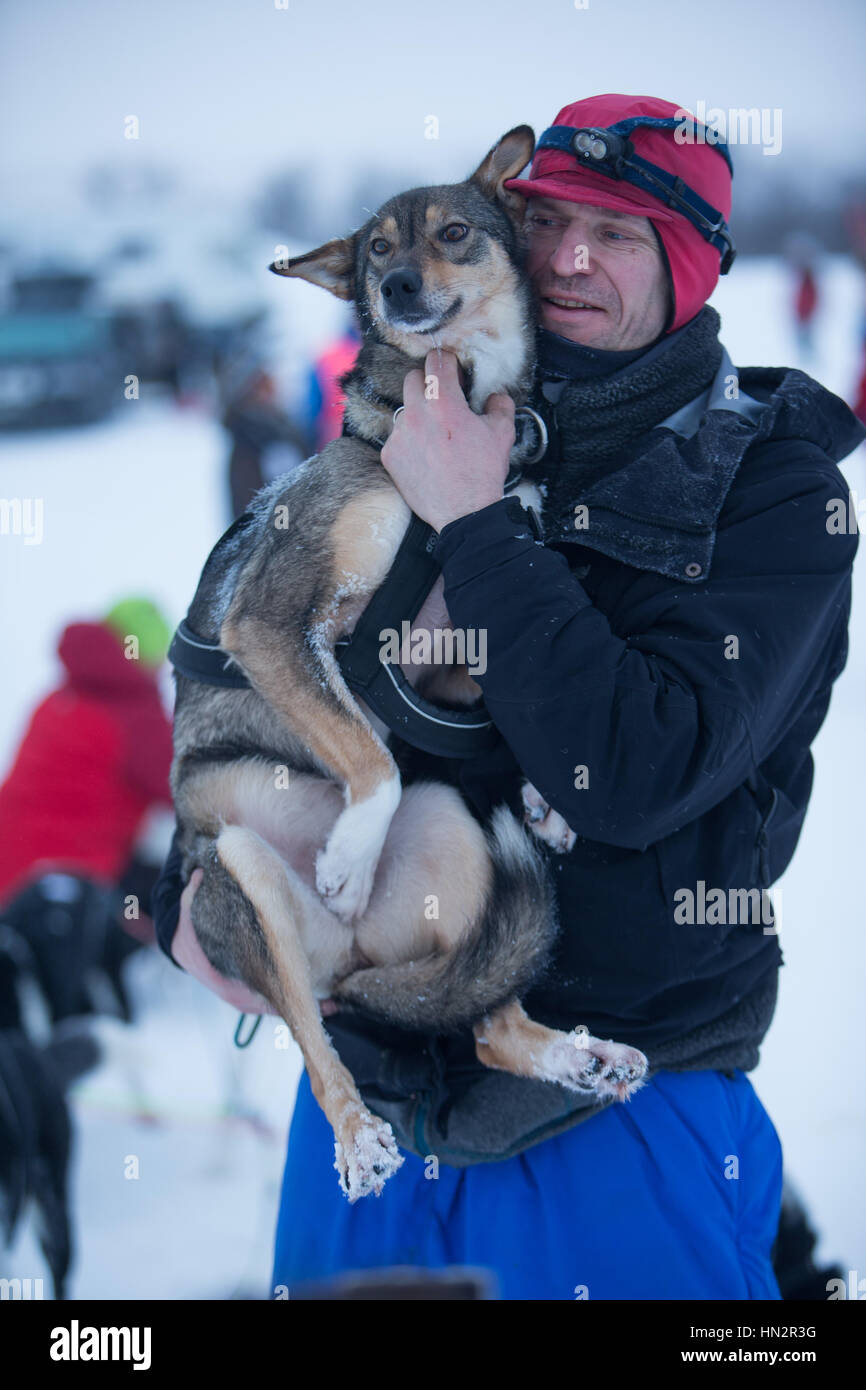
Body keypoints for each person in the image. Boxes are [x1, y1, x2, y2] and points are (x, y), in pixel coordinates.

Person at [152, 95, 863, 1300]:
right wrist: (183, 886)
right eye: (544, 221)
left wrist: (479, 526)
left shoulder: (766, 485)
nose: (570, 257)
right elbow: (231, 674)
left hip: (613, 1114)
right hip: (366, 1125)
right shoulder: (403, 425)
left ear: (688, 268)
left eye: (622, 233)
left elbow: (633, 771)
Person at [0, 597, 175, 1021]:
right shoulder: (135, 712)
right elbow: (183, 790)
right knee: (175, 877)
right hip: (71, 892)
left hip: (10, 877)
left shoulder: (57, 698)